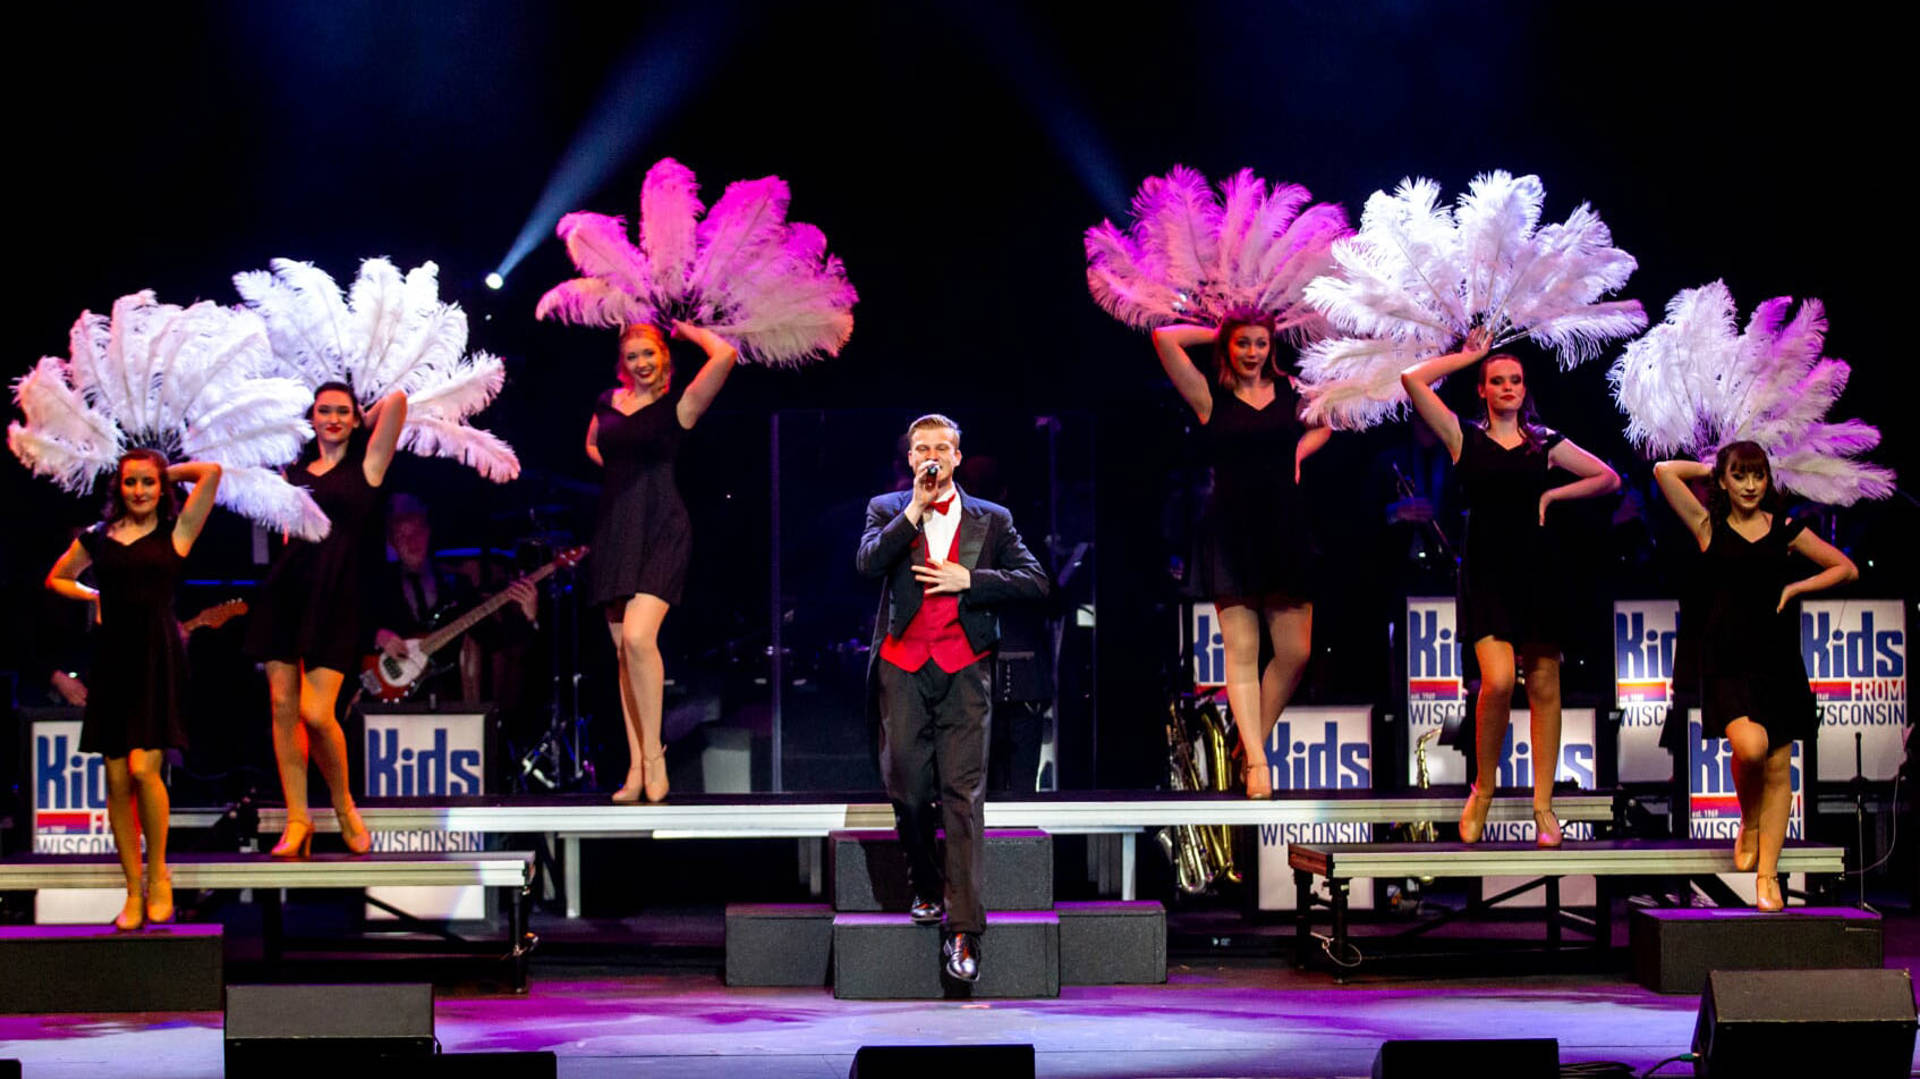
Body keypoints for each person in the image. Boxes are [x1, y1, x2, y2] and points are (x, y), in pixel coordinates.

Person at [1400, 328, 1620, 846]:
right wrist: (1469, 355)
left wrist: (1553, 498)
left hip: (1537, 569)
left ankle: (1544, 806)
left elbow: (1608, 478)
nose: (1507, 388)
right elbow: (1411, 380)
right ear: (1482, 389)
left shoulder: (1544, 442)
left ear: (1525, 388)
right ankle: (1483, 787)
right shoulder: (1464, 437)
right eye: (1496, 380)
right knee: (1497, 682)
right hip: (1485, 570)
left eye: (1515, 380)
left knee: (1544, 685)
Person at [856, 414, 1049, 983]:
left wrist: (973, 580)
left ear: (958, 457)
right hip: (903, 666)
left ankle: (964, 931)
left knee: (963, 798)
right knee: (909, 787)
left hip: (964, 669)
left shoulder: (992, 519)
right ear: (911, 458)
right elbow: (868, 563)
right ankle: (924, 881)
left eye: (942, 448)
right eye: (923, 449)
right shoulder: (887, 509)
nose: (932, 456)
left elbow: (1037, 581)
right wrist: (914, 510)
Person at [1653, 444, 1857, 910]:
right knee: (1750, 748)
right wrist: (1713, 467)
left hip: (1777, 660)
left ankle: (1768, 877)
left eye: (1758, 476)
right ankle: (1749, 820)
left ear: (1768, 480)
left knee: (1780, 767)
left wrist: (1797, 586)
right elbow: (1664, 471)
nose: (1749, 486)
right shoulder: (1707, 525)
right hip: (1725, 659)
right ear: (1723, 481)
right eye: (1739, 476)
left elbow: (1844, 569)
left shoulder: (1785, 529)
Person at [1150, 318, 1330, 798]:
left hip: (1285, 530)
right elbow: (1164, 338)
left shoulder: (1292, 390)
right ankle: (1256, 760)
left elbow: (1326, 425)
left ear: (1272, 346)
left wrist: (1299, 453)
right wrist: (1222, 327)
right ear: (1228, 346)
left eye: (1260, 343)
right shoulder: (1210, 395)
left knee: (1296, 653)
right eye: (1243, 343)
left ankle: (1245, 742)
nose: (1252, 352)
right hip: (1230, 532)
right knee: (1243, 652)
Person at [45, 451, 221, 929]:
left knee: (145, 769)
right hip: (113, 659)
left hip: (157, 657)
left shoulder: (176, 531)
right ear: (117, 487)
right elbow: (57, 577)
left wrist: (166, 471)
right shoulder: (99, 537)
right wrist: (94, 595)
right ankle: (132, 889)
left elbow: (211, 474)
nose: (139, 490)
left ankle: (159, 875)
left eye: (148, 482)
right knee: (118, 779)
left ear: (161, 487)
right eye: (130, 482)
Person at [246, 381, 407, 858]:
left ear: (356, 418)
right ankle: (297, 818)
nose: (333, 419)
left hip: (338, 595)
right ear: (311, 418)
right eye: (324, 411)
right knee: (282, 708)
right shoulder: (293, 471)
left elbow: (398, 401)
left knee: (317, 714)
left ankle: (343, 805)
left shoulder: (367, 466)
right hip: (287, 591)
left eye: (342, 411)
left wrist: (364, 414)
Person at [586, 320, 737, 803]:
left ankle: (654, 756)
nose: (641, 364)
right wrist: (623, 472)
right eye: (632, 356)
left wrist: (686, 330)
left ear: (664, 357)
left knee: (637, 638)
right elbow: (593, 444)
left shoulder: (680, 406)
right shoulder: (608, 402)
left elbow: (725, 355)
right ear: (622, 363)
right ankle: (635, 769)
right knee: (622, 654)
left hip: (662, 528)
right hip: (615, 528)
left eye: (649, 354)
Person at [371, 494, 538, 705]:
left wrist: (528, 617)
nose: (412, 541)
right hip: (387, 698)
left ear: (428, 533)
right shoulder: (378, 584)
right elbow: (350, 626)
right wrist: (378, 635)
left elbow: (494, 638)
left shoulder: (456, 584)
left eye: (417, 532)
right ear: (392, 542)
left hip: (444, 702)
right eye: (402, 535)